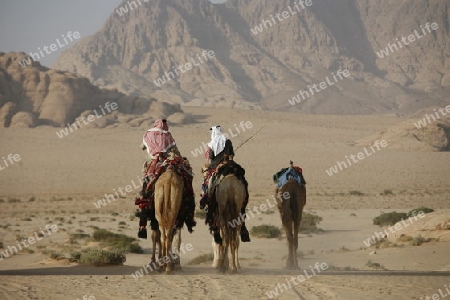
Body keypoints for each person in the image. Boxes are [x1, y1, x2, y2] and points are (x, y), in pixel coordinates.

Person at [138, 119, 196, 235]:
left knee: (146, 189)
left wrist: (153, 148)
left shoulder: (148, 134)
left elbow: (141, 147)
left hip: (153, 164)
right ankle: (189, 218)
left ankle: (142, 224)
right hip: (168, 162)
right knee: (186, 178)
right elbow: (176, 151)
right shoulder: (168, 135)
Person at [201, 125, 250, 242]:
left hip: (216, 167)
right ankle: (243, 224)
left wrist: (217, 161)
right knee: (242, 180)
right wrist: (227, 158)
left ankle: (214, 225)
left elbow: (210, 157)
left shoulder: (211, 144)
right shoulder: (227, 141)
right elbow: (231, 154)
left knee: (208, 185)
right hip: (231, 165)